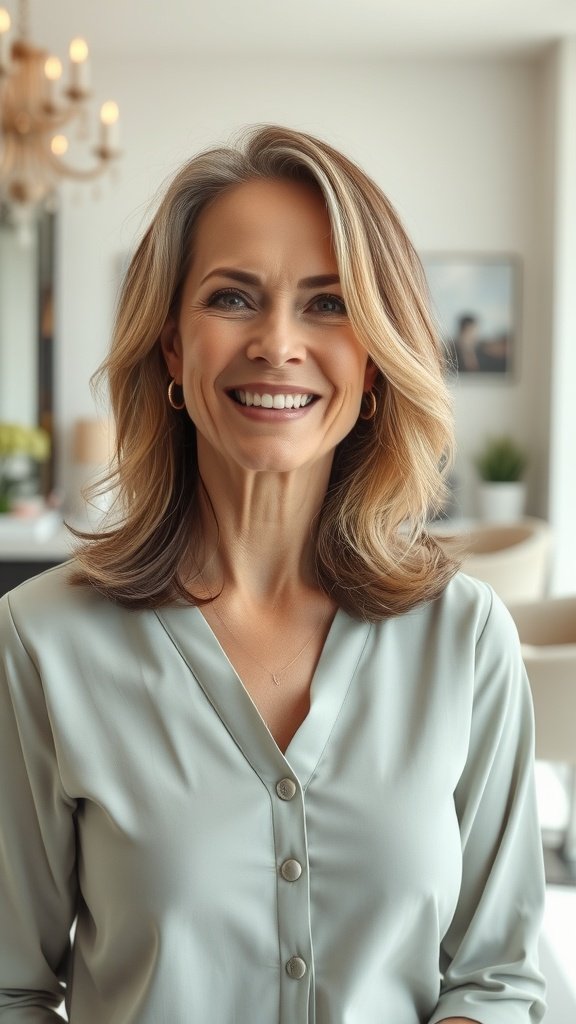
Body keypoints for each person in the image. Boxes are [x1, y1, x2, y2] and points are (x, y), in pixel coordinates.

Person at [0, 125, 545, 1023]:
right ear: (173, 347)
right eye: (232, 298)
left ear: (374, 361)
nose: (278, 343)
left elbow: (502, 973)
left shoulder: (467, 636)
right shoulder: (41, 641)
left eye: (328, 304)